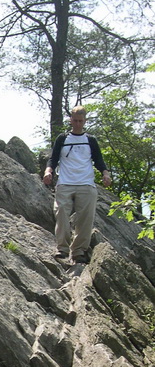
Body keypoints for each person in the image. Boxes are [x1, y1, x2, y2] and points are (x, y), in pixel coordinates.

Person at [43, 105, 111, 264]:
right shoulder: (63, 138)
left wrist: (105, 174)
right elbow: (53, 158)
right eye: (75, 120)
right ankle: (62, 249)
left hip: (86, 184)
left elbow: (99, 160)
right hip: (65, 183)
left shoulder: (90, 140)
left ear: (85, 121)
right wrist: (48, 171)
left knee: (85, 220)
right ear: (71, 120)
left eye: (81, 121)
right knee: (62, 215)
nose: (78, 124)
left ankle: (79, 252)